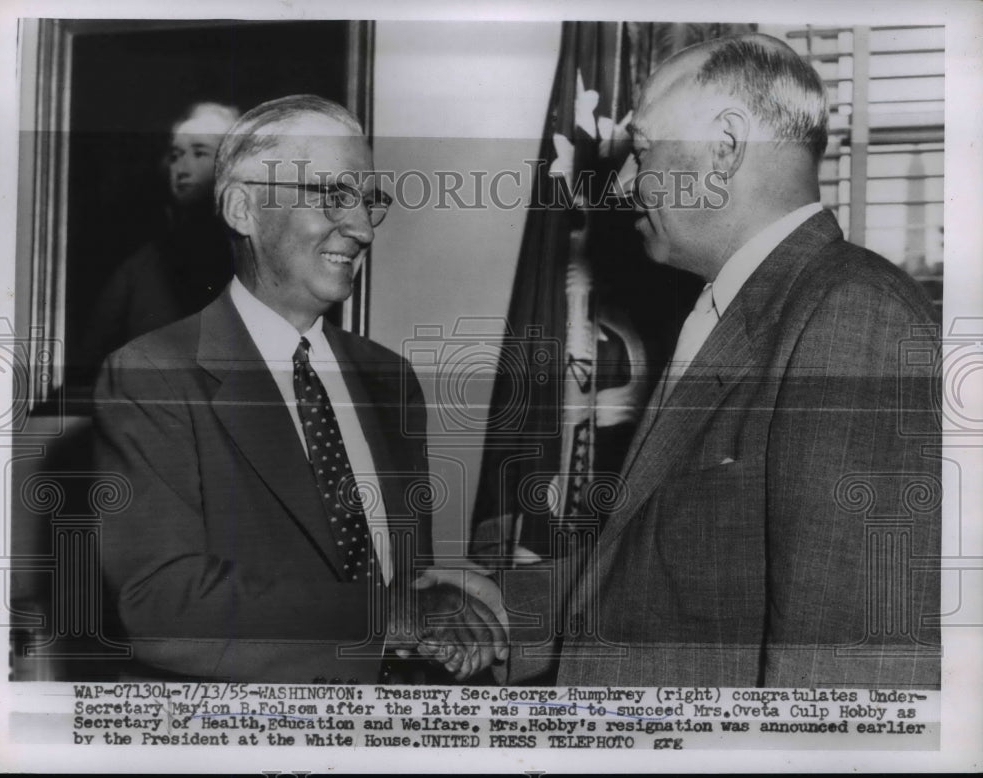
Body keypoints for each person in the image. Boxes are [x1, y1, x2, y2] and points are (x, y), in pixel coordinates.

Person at [440, 32, 941, 688]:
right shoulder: (739, 308)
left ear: (726, 148)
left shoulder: (851, 315)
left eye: (641, 151)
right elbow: (687, 570)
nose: (621, 184)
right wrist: (500, 601)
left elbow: (842, 663)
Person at [94, 95, 505, 683]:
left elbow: (413, 582)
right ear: (243, 208)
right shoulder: (152, 377)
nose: (362, 229)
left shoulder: (390, 379)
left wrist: (447, 625)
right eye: (334, 196)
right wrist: (392, 616)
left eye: (369, 202)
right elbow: (165, 607)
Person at [80, 102, 241, 375]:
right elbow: (91, 361)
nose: (181, 168)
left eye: (199, 153)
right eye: (176, 155)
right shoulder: (142, 267)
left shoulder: (255, 256)